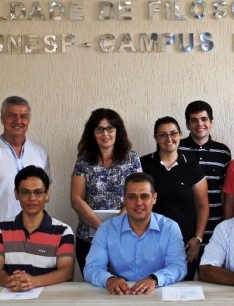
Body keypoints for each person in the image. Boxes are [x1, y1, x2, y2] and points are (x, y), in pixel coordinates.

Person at [84, 173, 186, 294]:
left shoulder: (170, 228)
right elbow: (92, 267)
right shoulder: (106, 229)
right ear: (124, 199)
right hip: (118, 295)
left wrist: (154, 279)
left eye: (144, 196)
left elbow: (178, 266)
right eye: (132, 197)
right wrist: (109, 280)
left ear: (154, 198)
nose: (138, 202)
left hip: (157, 293)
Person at [0, 96, 50, 247]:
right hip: (0, 239)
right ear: (2, 118)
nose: (18, 121)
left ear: (29, 120)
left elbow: (44, 193)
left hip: (35, 237)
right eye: (11, 115)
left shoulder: (41, 152)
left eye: (23, 116)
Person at [70, 108, 142, 274]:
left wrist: (114, 228)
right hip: (89, 239)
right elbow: (76, 199)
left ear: (117, 131)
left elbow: (136, 195)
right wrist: (103, 229)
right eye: (99, 129)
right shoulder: (83, 161)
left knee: (123, 287)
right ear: (92, 133)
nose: (105, 133)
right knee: (93, 289)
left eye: (110, 128)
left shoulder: (131, 159)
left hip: (124, 236)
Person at [140, 116, 209, 280]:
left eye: (173, 133)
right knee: (151, 286)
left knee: (181, 290)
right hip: (150, 240)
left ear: (180, 134)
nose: (169, 139)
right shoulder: (143, 165)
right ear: (155, 138)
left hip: (185, 243)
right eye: (162, 135)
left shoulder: (191, 166)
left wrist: (197, 239)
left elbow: (202, 206)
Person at [0, 165, 75, 291]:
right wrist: (10, 282)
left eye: (38, 192)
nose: (32, 198)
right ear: (16, 194)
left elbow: (67, 271)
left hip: (49, 300)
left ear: (47, 194)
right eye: (25, 192)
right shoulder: (0, 229)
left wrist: (33, 282)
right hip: (10, 295)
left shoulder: (63, 231)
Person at [178, 100, 231, 245]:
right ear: (187, 124)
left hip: (215, 227)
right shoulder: (176, 149)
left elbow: (224, 191)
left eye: (204, 119)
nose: (199, 124)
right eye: (194, 120)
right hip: (182, 226)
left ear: (211, 122)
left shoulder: (223, 152)